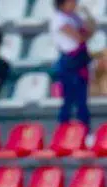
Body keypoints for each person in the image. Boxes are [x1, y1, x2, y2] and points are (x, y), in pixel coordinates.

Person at [51, 0, 96, 128]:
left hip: (80, 60)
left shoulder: (74, 17)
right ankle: (63, 130)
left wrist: (88, 16)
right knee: (69, 99)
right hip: (69, 62)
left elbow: (90, 32)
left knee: (82, 99)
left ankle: (85, 130)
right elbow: (79, 37)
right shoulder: (58, 19)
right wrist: (86, 33)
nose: (75, 4)